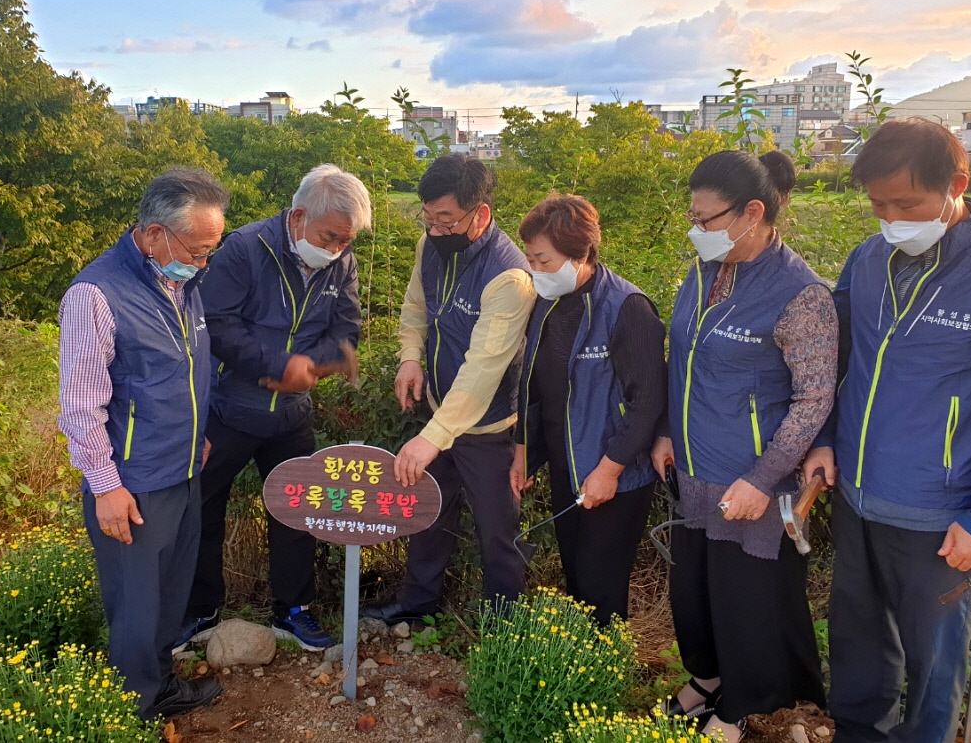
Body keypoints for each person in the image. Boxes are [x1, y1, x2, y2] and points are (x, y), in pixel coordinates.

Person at [802, 120, 971, 743]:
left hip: (940, 511)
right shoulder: (868, 260)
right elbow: (838, 360)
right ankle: (856, 731)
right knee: (857, 637)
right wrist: (822, 440)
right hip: (859, 494)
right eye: (878, 204)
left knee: (935, 663)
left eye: (907, 203)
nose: (892, 217)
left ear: (957, 184)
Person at [650, 150, 836, 743]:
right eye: (693, 216)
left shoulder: (800, 295)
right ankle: (707, 678)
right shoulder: (706, 269)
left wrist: (763, 479)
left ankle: (747, 702)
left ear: (752, 212)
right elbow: (682, 357)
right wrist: (664, 431)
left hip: (751, 475)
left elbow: (813, 399)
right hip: (695, 464)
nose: (695, 229)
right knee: (696, 592)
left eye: (706, 219)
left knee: (746, 599)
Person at [58, 167, 230, 719]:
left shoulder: (181, 283)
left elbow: (184, 373)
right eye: (197, 249)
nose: (204, 261)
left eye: (211, 249)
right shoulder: (96, 295)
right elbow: (82, 407)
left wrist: (199, 438)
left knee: (171, 592)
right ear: (155, 234)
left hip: (181, 471)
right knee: (136, 603)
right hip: (132, 485)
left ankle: (159, 686)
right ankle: (132, 710)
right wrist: (106, 487)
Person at [179, 164, 368, 652]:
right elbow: (215, 323)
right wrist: (276, 363)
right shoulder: (245, 249)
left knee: (297, 510)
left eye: (345, 241)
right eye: (329, 237)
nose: (335, 250)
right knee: (202, 505)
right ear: (299, 215)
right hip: (230, 408)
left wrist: (313, 366)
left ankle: (293, 610)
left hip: (292, 415)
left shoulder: (340, 264)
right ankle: (201, 610)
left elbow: (346, 332)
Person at [360, 154, 536, 624]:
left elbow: (483, 370)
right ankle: (418, 606)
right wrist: (410, 357)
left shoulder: (510, 277)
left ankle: (504, 626)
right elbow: (416, 305)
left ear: (479, 214)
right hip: (438, 411)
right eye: (429, 218)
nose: (435, 230)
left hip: (490, 426)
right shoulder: (431, 246)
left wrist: (430, 439)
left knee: (498, 530)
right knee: (428, 512)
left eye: (446, 220)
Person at [508, 195, 666, 626]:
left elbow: (648, 402)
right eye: (530, 259)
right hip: (567, 463)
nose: (535, 270)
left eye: (543, 260)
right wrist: (523, 448)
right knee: (576, 574)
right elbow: (534, 386)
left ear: (580, 253)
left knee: (601, 582)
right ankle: (585, 668)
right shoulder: (548, 301)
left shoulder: (627, 309)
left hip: (613, 472)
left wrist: (609, 471)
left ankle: (604, 673)